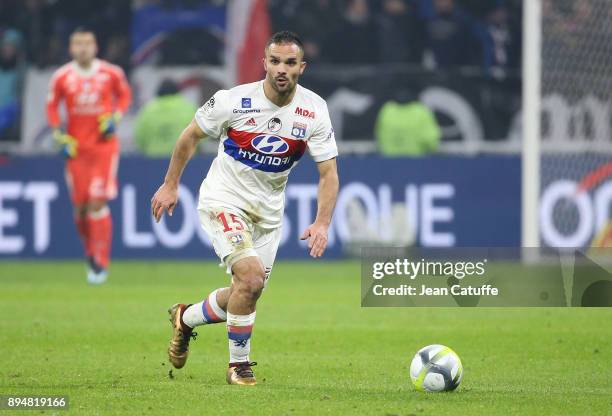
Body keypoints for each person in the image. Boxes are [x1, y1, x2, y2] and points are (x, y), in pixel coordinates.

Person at [151, 31, 339, 386]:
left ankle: (186, 318)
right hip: (224, 199)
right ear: (264, 63)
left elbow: (328, 172)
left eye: (290, 63)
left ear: (302, 67)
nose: (281, 69)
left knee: (245, 292)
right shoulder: (233, 101)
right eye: (275, 61)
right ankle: (239, 365)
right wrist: (171, 184)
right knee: (250, 278)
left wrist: (322, 222)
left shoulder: (314, 110)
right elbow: (190, 136)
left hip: (267, 215)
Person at [46, 27, 132, 284]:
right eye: (78, 44)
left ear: (95, 47)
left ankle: (101, 262)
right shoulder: (62, 76)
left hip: (103, 147)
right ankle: (90, 253)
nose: (83, 48)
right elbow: (51, 106)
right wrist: (58, 135)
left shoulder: (111, 73)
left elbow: (125, 95)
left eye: (87, 43)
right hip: (76, 149)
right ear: (71, 48)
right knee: (81, 208)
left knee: (97, 202)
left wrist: (115, 117)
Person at [134, 79, 196, 156]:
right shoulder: (188, 108)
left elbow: (139, 138)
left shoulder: (147, 110)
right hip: (182, 161)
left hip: (153, 161)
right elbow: (201, 134)